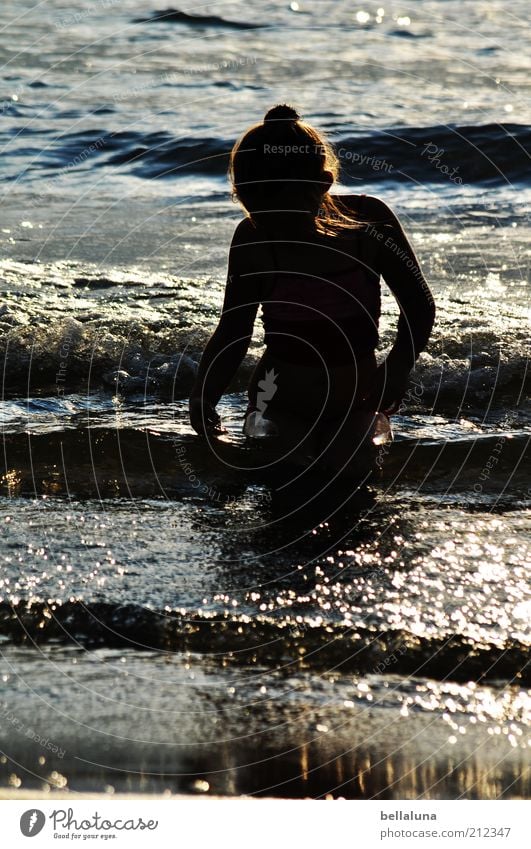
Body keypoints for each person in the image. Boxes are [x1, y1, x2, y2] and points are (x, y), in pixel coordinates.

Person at [189, 104, 435, 476]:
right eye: (256, 208)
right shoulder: (253, 239)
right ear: (241, 195)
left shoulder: (369, 224)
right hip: (277, 403)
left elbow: (419, 305)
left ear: (321, 186)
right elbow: (234, 329)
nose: (270, 220)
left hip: (357, 403)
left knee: (352, 484)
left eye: (281, 208)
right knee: (283, 484)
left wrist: (398, 367)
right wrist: (204, 395)